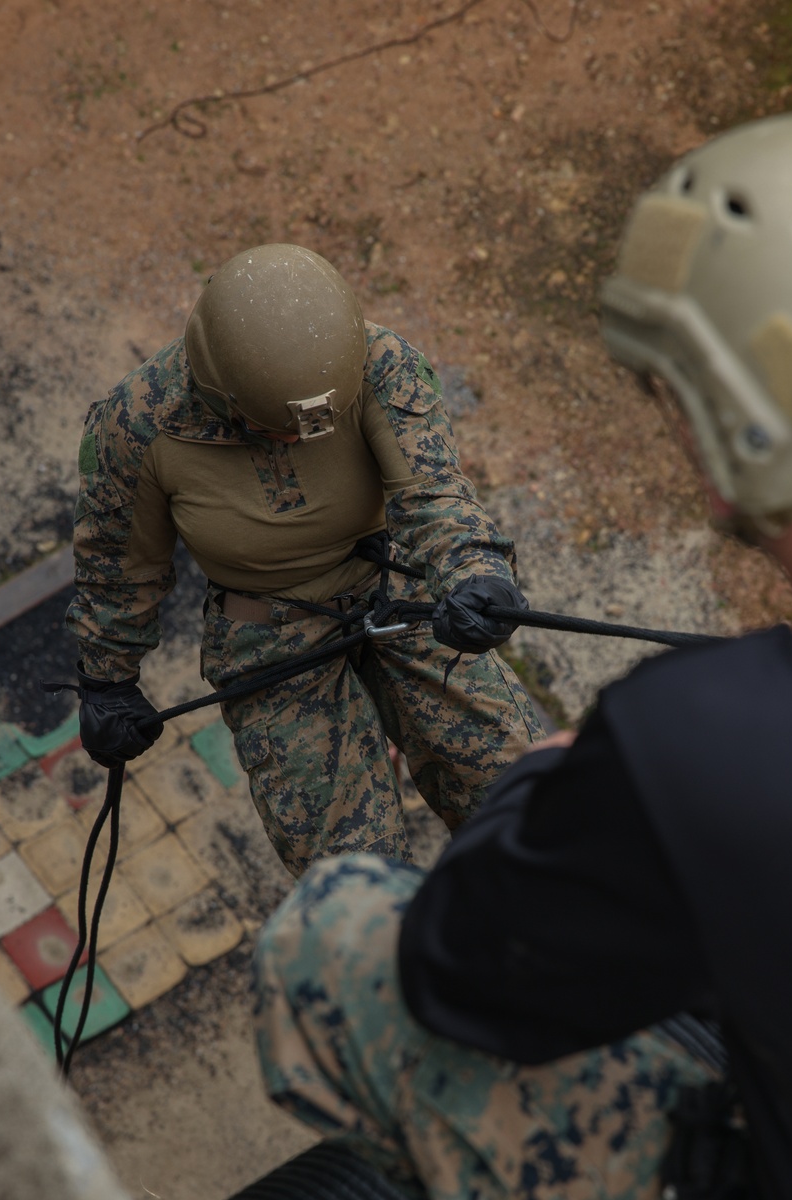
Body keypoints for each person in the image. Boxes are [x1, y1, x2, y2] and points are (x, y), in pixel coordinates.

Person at [250, 111, 792, 1200]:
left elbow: (463, 971)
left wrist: (557, 782)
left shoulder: (712, 751)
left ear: (713, 444)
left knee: (333, 937)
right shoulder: (727, 746)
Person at [67, 244, 541, 874]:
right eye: (278, 430)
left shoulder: (379, 362)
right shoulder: (136, 425)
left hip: (397, 593)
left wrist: (475, 570)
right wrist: (107, 680)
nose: (299, 442)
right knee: (351, 878)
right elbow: (117, 567)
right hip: (271, 639)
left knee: (530, 800)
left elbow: (432, 491)